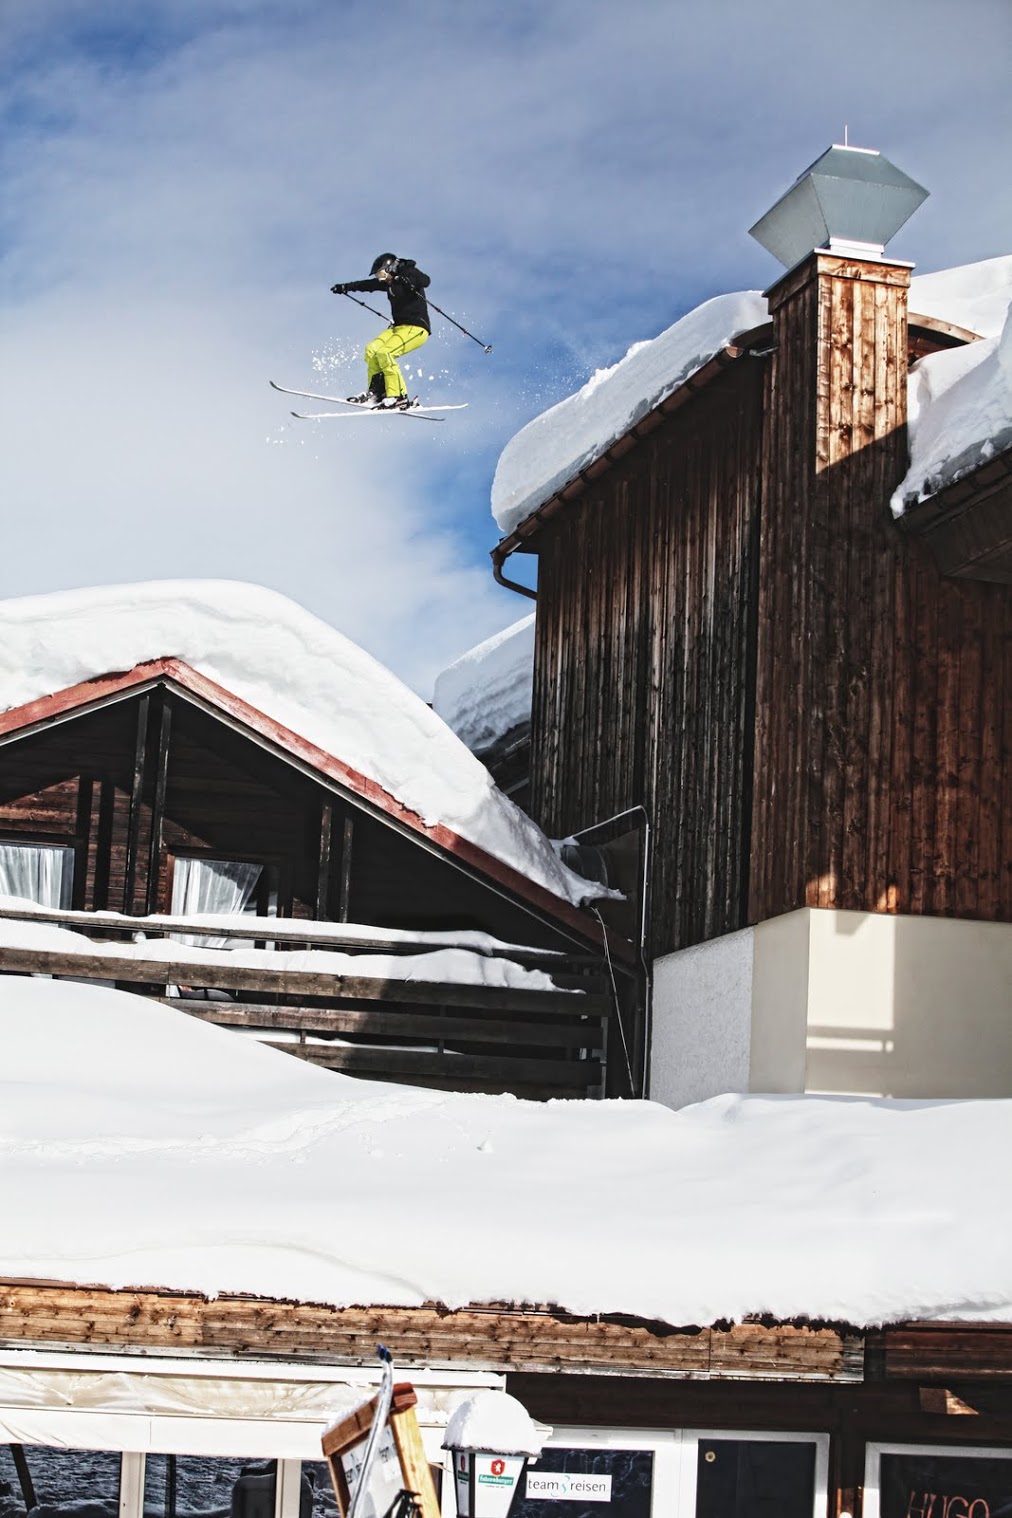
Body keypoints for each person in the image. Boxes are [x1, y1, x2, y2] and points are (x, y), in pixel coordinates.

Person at [330, 253, 431, 408]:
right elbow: (366, 285)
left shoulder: (408, 272)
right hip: (398, 328)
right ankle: (377, 392)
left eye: (382, 274)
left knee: (386, 353)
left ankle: (398, 396)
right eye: (378, 276)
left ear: (391, 268)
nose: (381, 279)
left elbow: (425, 280)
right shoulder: (389, 283)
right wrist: (346, 287)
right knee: (371, 350)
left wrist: (409, 282)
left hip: (416, 327)